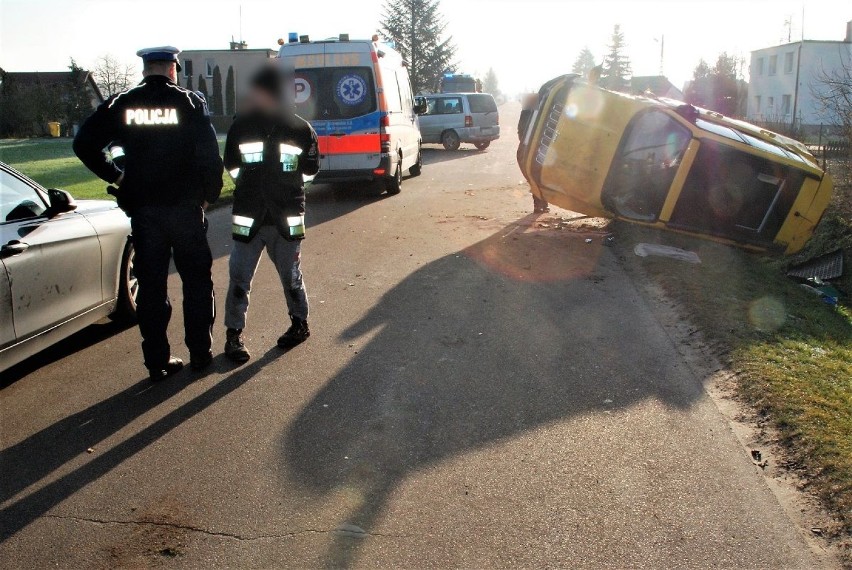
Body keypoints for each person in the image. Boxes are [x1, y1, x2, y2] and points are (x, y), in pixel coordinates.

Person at [73, 46, 223, 381]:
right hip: (185, 209)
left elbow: (83, 143)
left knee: (152, 289)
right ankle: (201, 352)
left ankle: (157, 361)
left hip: (145, 212)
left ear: (145, 68)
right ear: (174, 69)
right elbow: (210, 156)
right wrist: (208, 196)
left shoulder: (122, 102)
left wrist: (117, 176)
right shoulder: (190, 102)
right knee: (197, 283)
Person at [221, 64, 320, 363]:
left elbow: (310, 171)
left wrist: (283, 191)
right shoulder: (241, 126)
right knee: (239, 279)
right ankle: (233, 336)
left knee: (291, 278)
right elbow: (233, 166)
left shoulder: (301, 129)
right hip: (249, 218)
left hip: (285, 219)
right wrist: (256, 188)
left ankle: (299, 324)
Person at [517, 93, 549, 213]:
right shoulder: (531, 113)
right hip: (531, 151)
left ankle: (542, 203)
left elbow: (520, 131)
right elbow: (521, 131)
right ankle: (540, 204)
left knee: (537, 178)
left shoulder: (538, 113)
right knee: (535, 178)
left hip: (533, 150)